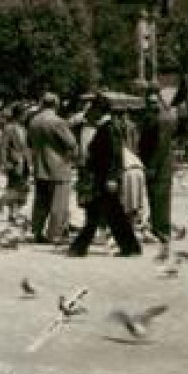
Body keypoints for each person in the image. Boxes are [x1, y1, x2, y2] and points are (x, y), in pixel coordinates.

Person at [68, 95, 143, 258]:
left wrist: (112, 178)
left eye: (92, 109)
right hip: (102, 178)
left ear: (98, 110)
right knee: (110, 214)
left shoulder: (108, 128)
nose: (89, 113)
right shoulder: (107, 127)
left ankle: (80, 247)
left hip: (105, 179)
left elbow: (115, 155)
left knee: (102, 214)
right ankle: (130, 247)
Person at [26, 91, 77, 243]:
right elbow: (72, 143)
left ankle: (37, 231)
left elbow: (29, 143)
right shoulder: (57, 121)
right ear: (56, 104)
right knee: (58, 202)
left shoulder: (33, 121)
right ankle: (55, 233)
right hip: (59, 166)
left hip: (39, 165)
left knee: (41, 201)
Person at [136, 87, 177, 243]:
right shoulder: (166, 116)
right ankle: (160, 229)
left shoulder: (159, 119)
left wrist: (152, 165)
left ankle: (161, 231)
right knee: (159, 197)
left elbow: (159, 145)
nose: (150, 104)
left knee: (158, 196)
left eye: (152, 101)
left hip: (158, 164)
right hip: (163, 164)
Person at [0, 102, 32, 223]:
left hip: (25, 162)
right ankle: (11, 211)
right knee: (14, 188)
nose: (26, 116)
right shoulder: (9, 128)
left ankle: (14, 209)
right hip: (15, 162)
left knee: (23, 188)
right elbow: (3, 146)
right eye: (25, 114)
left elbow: (26, 146)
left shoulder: (23, 128)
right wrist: (4, 162)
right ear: (19, 114)